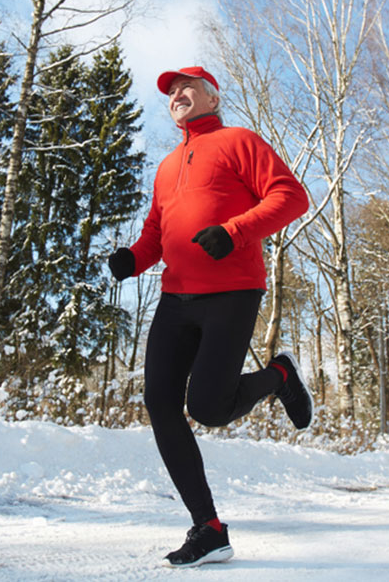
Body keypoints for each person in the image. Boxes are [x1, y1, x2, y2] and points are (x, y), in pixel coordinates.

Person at [107, 65, 313, 568]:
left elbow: (292, 197)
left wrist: (234, 231)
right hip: (176, 297)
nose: (177, 94)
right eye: (171, 91)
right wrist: (133, 259)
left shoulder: (239, 141)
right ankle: (209, 528)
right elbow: (156, 233)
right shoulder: (166, 166)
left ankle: (280, 376)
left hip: (232, 290)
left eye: (187, 87)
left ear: (211, 98)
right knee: (160, 402)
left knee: (209, 407)